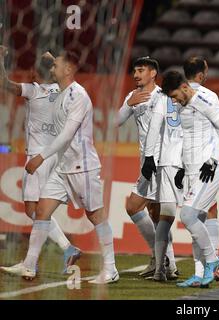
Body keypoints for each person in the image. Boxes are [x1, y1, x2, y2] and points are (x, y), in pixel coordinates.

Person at [18, 51, 117, 284]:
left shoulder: (77, 95)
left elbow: (66, 135)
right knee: (41, 212)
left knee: (96, 216)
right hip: (62, 168)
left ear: (68, 70)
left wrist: (40, 157)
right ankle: (30, 266)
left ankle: (111, 269)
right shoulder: (61, 94)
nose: (52, 69)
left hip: (82, 166)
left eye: (56, 66)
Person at [0, 46, 81, 276]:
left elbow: (3, 83)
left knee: (32, 210)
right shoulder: (64, 90)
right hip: (55, 156)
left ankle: (63, 250)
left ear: (36, 76)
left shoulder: (34, 90)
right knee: (41, 210)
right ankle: (33, 261)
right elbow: (57, 68)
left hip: (37, 157)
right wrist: (52, 59)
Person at [161, 70, 219, 288]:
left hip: (207, 170)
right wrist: (183, 167)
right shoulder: (182, 106)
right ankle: (200, 274)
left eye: (174, 96)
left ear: (184, 87)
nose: (174, 101)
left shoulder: (203, 101)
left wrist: (213, 159)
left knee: (188, 215)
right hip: (192, 171)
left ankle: (213, 260)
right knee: (196, 225)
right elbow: (188, 139)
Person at [116, 56, 178, 279]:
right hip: (147, 161)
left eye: (141, 70)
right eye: (134, 70)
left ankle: (161, 258)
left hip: (160, 162)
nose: (136, 74)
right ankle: (166, 263)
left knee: (133, 206)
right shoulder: (133, 97)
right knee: (156, 213)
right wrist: (129, 104)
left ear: (153, 73)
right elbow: (116, 121)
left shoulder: (163, 97)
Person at [181, 56, 219, 282]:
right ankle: (204, 269)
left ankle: (209, 264)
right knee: (199, 216)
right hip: (195, 166)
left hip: (199, 167)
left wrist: (210, 159)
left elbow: (176, 135)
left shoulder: (182, 98)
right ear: (202, 74)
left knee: (194, 216)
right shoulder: (208, 96)